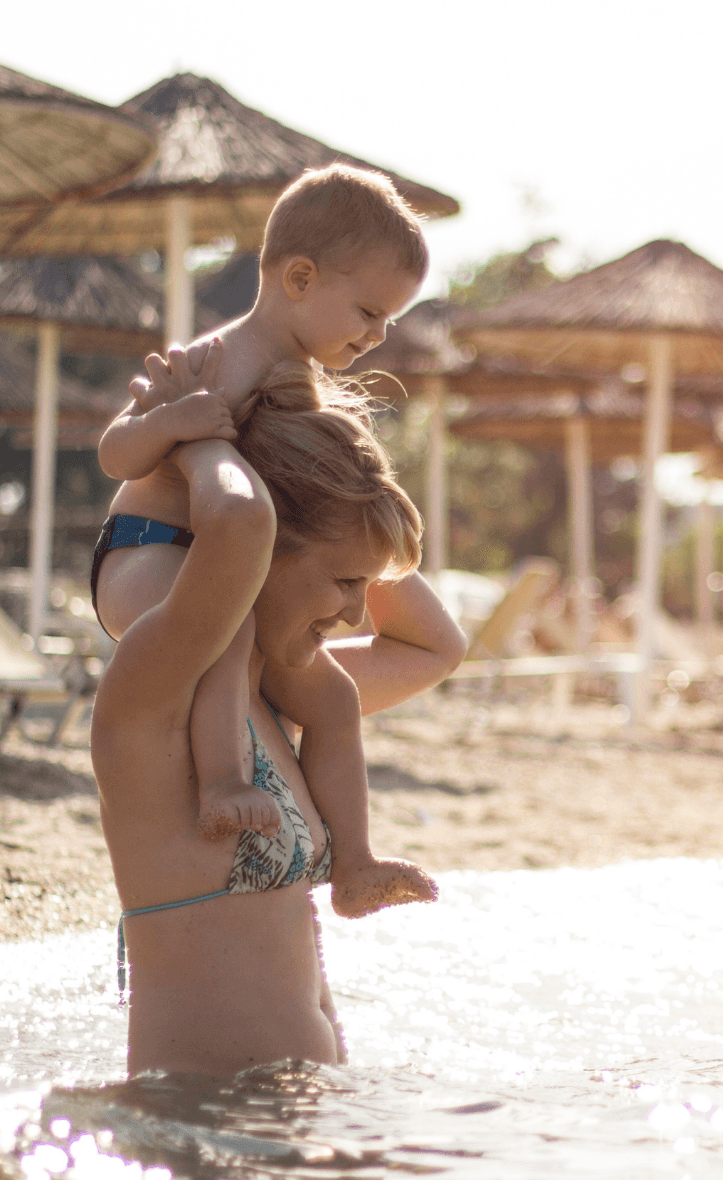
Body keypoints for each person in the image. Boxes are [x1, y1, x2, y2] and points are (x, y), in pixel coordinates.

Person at [93, 379, 467, 1076]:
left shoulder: (280, 699)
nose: (360, 615)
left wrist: (347, 494)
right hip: (207, 1126)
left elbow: (436, 645)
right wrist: (198, 436)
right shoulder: (159, 683)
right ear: (259, 554)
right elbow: (235, 517)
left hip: (290, 1119)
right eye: (343, 583)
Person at [93, 165, 430, 917]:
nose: (374, 336)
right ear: (300, 277)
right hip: (144, 552)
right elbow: (117, 454)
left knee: (336, 699)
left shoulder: (298, 377)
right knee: (232, 626)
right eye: (369, 312)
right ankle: (222, 781)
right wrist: (170, 426)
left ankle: (356, 864)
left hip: (215, 564)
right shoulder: (220, 358)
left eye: (387, 323)